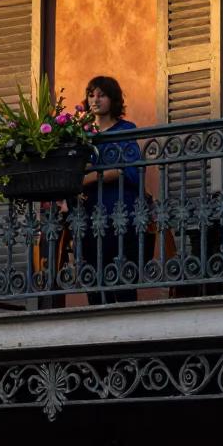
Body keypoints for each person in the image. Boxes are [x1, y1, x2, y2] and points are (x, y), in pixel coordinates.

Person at [79, 75, 143, 305]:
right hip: (89, 215)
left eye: (102, 94)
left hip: (120, 213)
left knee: (123, 279)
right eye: (91, 94)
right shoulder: (82, 135)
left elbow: (130, 170)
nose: (95, 100)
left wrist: (89, 178)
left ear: (113, 99)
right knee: (94, 279)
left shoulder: (125, 129)